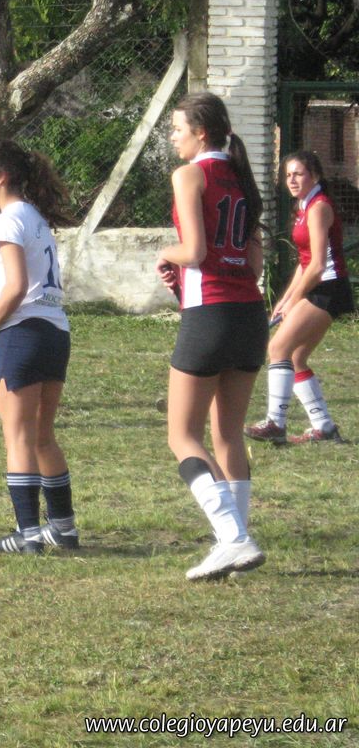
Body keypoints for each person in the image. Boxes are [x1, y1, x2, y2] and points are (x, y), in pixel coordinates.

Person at [156, 92, 266, 581]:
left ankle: (233, 538)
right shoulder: (243, 177)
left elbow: (196, 251)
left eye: (177, 128)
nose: (172, 136)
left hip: (210, 315)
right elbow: (254, 263)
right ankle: (237, 543)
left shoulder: (190, 174)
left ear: (201, 133)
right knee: (228, 434)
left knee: (182, 435)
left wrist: (166, 253)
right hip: (250, 315)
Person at [0, 139, 79, 555]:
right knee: (42, 437)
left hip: (24, 333)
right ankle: (63, 528)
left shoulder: (7, 221)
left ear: (1, 177)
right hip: (55, 332)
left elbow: (16, 287)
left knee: (17, 438)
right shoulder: (34, 217)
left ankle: (28, 533)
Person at [245, 150, 354, 445]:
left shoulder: (319, 207)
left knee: (278, 347)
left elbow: (318, 266)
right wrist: (286, 299)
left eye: (298, 174)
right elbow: (304, 263)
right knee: (296, 357)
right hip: (318, 286)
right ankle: (324, 428)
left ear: (314, 176)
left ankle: (275, 423)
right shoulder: (304, 207)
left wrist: (296, 300)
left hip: (328, 289)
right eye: (288, 175)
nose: (291, 180)